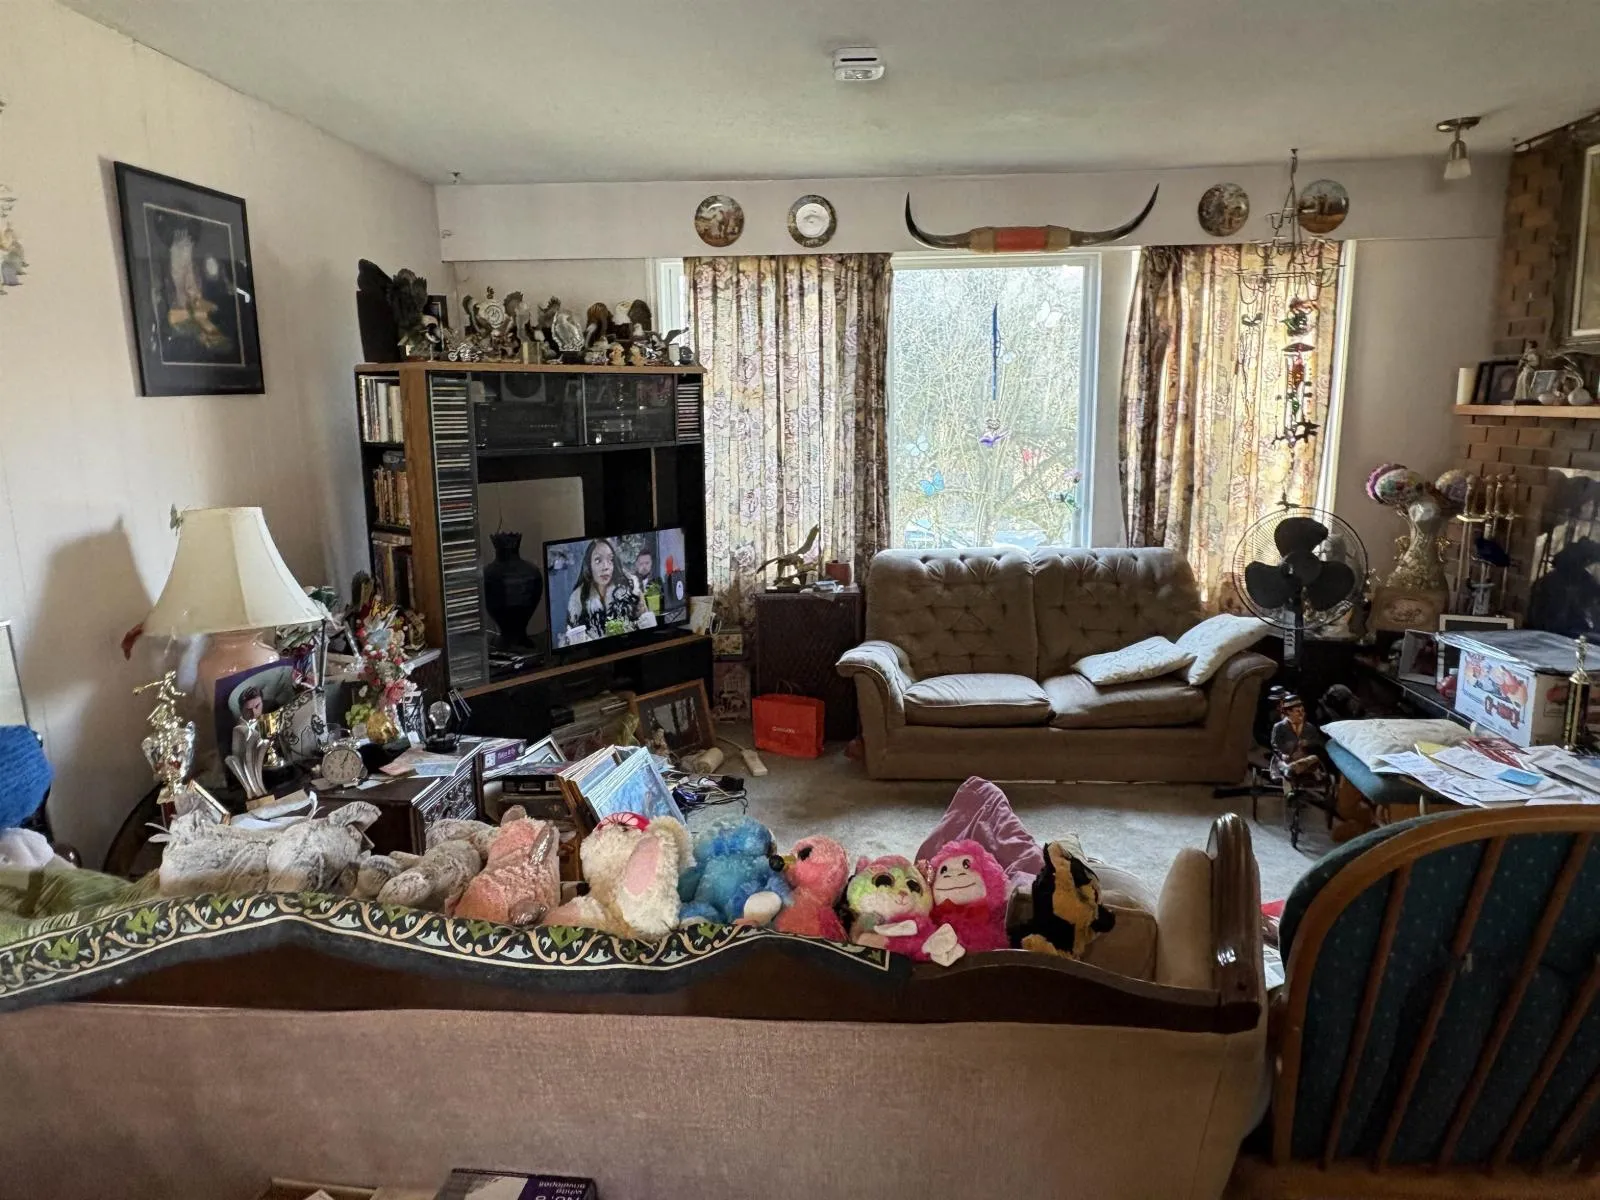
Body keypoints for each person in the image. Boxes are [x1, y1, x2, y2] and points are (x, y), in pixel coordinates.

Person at [563, 538, 651, 646]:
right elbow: (570, 643)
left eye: (610, 560)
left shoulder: (632, 589)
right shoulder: (577, 601)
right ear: (589, 565)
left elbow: (648, 630)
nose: (606, 567)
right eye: (598, 560)